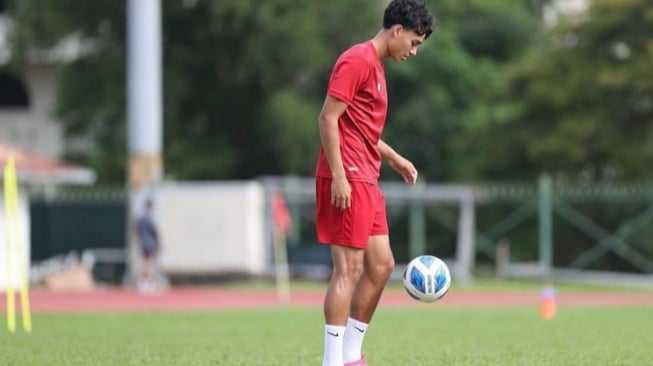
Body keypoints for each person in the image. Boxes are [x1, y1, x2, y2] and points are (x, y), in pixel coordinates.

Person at [314, 0, 436, 365]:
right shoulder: (357, 60)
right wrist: (338, 174)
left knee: (381, 266)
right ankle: (332, 361)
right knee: (348, 270)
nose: (414, 51)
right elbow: (327, 118)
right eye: (414, 42)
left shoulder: (377, 68)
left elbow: (362, 128)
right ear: (397, 30)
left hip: (367, 176)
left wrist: (395, 158)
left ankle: (352, 355)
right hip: (348, 177)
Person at [136, 198, 161, 292]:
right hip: (149, 243)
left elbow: (137, 230)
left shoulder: (141, 219)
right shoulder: (149, 218)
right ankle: (145, 281)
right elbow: (154, 232)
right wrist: (158, 243)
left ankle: (144, 281)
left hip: (143, 242)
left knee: (146, 262)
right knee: (148, 262)